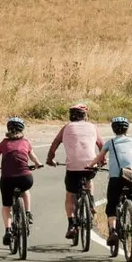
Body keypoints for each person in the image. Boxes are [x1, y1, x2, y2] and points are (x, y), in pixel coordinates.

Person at [45, 103, 101, 243]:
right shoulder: (93, 127)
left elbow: (55, 143)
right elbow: (101, 144)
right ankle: (91, 203)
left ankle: (71, 224)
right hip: (90, 165)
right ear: (85, 116)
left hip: (73, 168)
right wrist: (102, 160)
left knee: (70, 193)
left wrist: (50, 159)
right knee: (89, 180)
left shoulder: (66, 128)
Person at [0, 117, 41, 248]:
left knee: (6, 206)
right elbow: (33, 157)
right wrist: (38, 164)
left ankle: (8, 230)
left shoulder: (4, 143)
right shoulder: (25, 142)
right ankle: (27, 213)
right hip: (25, 178)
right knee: (25, 190)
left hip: (7, 179)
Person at [100, 116, 132, 252]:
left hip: (116, 177)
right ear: (127, 129)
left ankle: (113, 230)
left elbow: (99, 158)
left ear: (113, 129)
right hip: (131, 177)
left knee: (112, 204)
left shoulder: (110, 143)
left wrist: (91, 165)